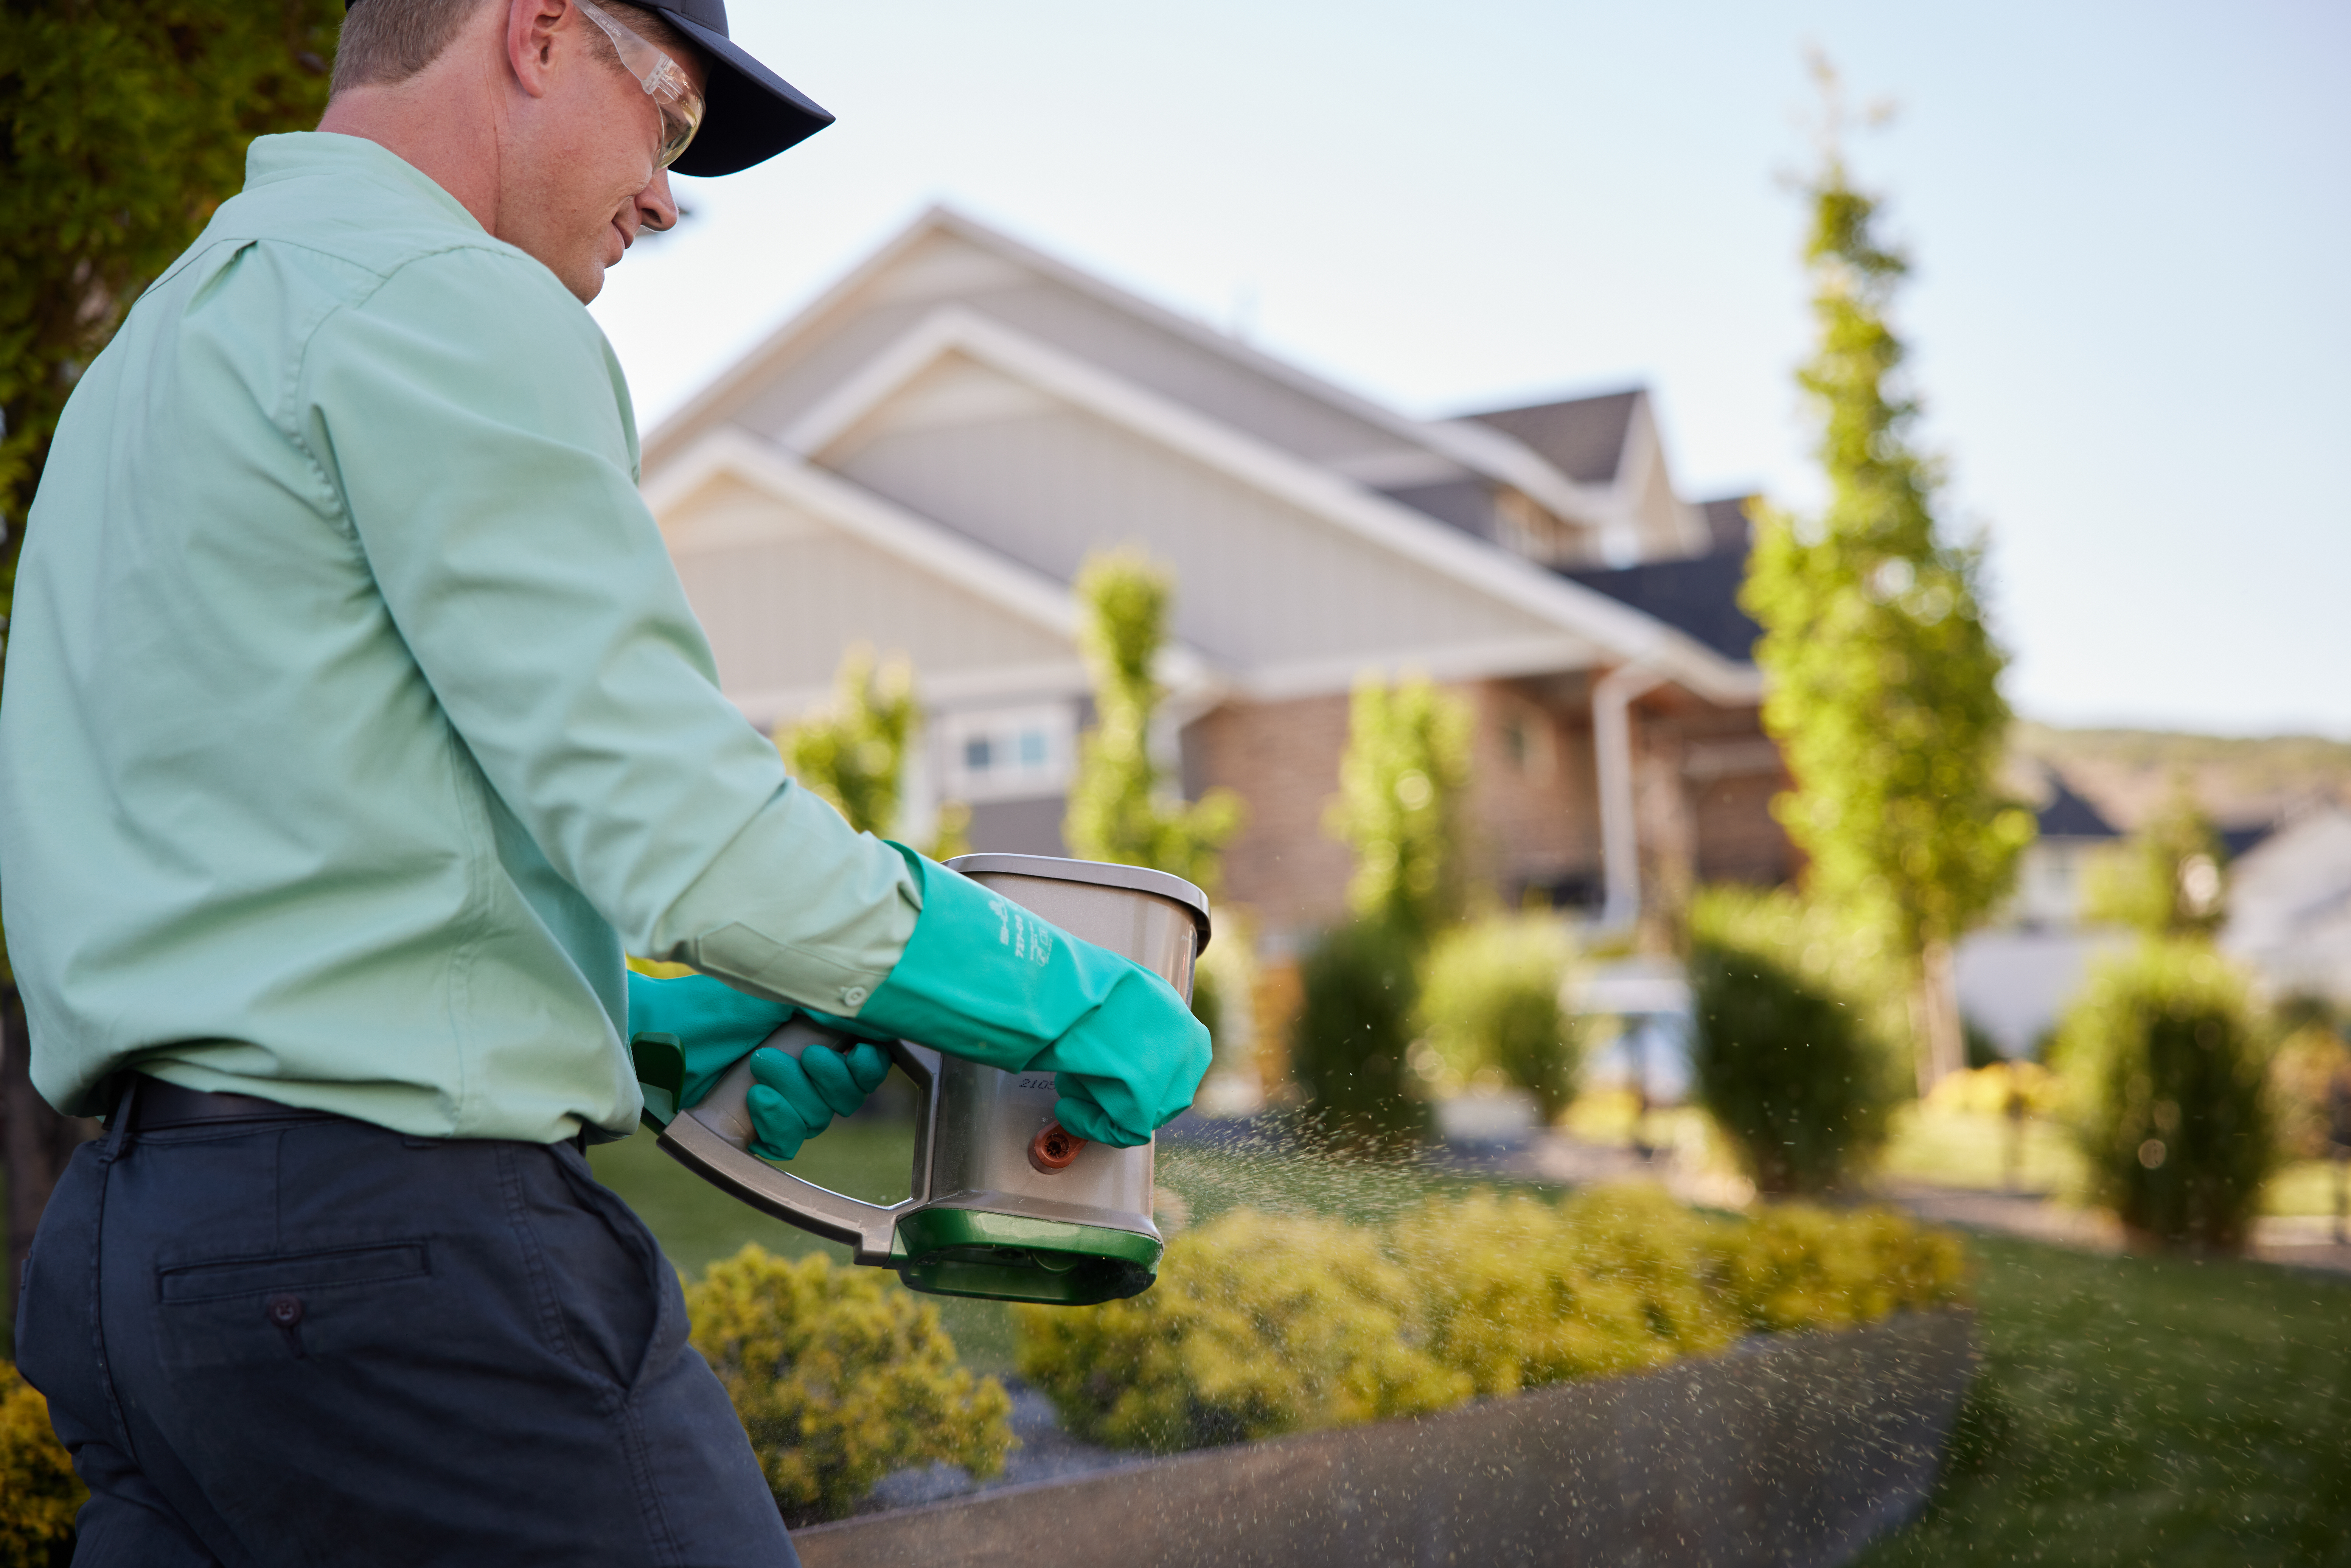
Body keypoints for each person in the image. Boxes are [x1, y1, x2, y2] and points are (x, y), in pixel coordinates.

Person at [0, 0, 1210, 1561]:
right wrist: (1060, 994)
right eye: (673, 123)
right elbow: (693, 838)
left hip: (136, 1269)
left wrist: (629, 1024)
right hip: (394, 1273)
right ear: (541, 32)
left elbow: (263, 850)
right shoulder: (447, 300)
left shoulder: (160, 349)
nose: (666, 195)